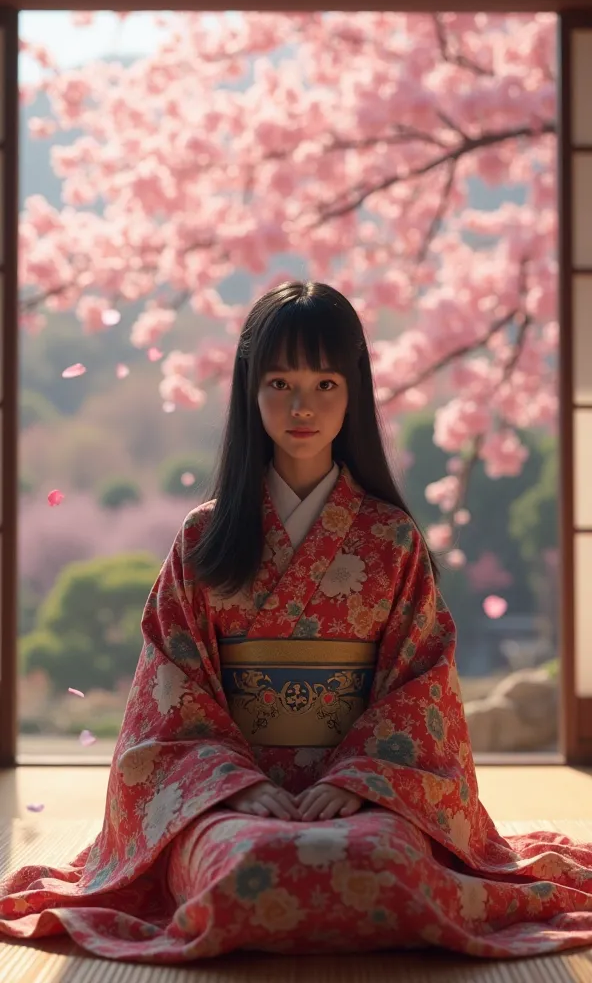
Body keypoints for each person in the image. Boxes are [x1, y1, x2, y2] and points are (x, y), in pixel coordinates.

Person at [1, 280, 592, 965]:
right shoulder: (203, 540)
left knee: (386, 863)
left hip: (365, 797)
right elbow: (169, 694)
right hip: (224, 799)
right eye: (280, 382)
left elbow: (421, 689)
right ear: (250, 391)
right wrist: (235, 784)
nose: (302, 405)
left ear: (355, 392)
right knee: (238, 870)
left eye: (325, 382)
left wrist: (358, 780)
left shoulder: (391, 540)